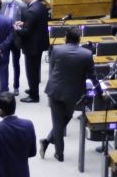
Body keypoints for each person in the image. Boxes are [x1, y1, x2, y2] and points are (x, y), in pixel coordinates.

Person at [40, 27, 98, 162]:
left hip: (55, 90)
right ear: (79, 39)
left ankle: (47, 142)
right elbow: (93, 77)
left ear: (66, 37)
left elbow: (52, 69)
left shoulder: (56, 50)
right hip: (74, 92)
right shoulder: (87, 54)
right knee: (62, 120)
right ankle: (59, 154)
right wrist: (100, 92)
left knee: (59, 121)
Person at [14, 0, 48, 103]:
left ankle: (34, 96)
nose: (24, 2)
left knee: (31, 71)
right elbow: (35, 23)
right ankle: (33, 89)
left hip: (32, 46)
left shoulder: (31, 11)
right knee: (35, 69)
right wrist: (25, 23)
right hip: (39, 43)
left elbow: (26, 32)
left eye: (23, 0)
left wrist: (17, 28)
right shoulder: (40, 5)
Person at [0, 0, 26, 97]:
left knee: (16, 64)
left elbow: (26, 20)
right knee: (4, 64)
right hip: (5, 39)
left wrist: (21, 24)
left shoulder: (21, 6)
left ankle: (16, 86)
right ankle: (4, 86)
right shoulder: (2, 5)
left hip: (16, 39)